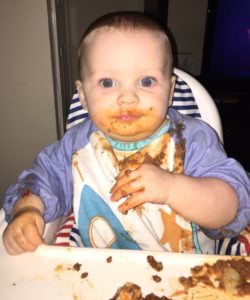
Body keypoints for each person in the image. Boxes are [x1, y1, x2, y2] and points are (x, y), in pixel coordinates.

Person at [2, 11, 250, 255]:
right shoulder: (76, 145)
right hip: (97, 270)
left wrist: (173, 189)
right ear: (83, 96)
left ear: (170, 89)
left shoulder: (192, 140)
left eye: (146, 81)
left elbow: (231, 207)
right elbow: (42, 180)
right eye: (108, 83)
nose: (128, 97)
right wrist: (27, 210)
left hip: (191, 276)